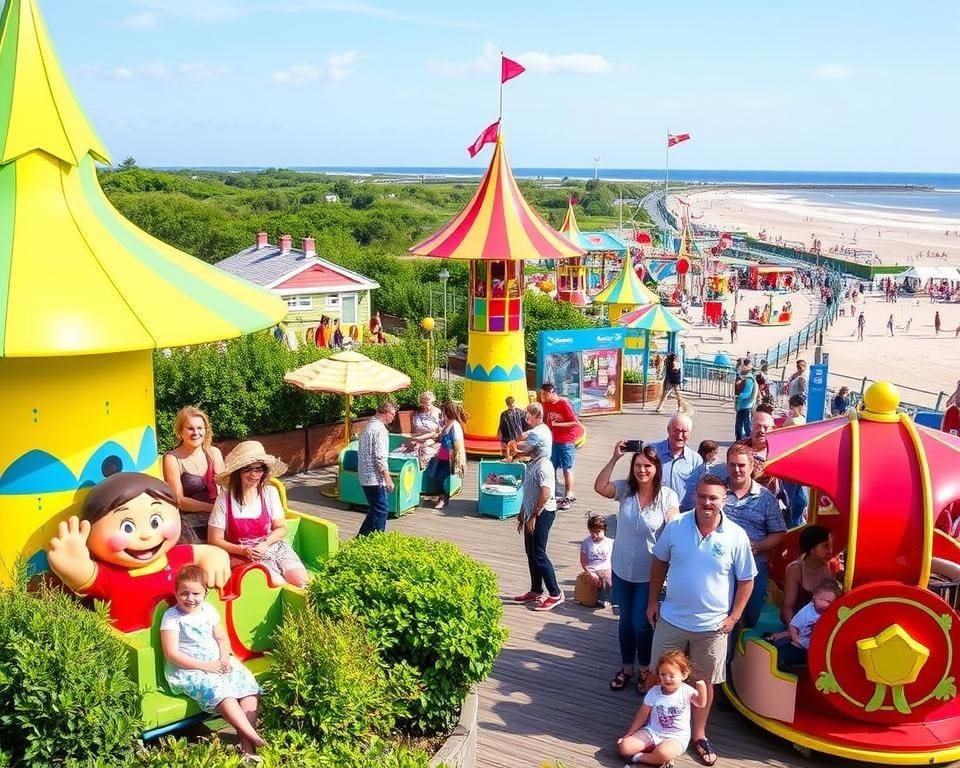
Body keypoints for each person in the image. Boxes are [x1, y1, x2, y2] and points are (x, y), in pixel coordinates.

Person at [647, 474, 756, 767]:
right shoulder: (676, 526)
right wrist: (651, 602)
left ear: (724, 500)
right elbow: (659, 563)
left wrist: (734, 617)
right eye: (702, 496)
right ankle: (657, 729)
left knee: (704, 683)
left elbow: (747, 580)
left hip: (713, 626)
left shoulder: (736, 536)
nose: (707, 503)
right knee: (656, 675)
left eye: (713, 498)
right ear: (695, 496)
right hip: (671, 617)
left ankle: (699, 734)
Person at [47, 472, 230, 633]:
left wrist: (216, 557)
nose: (145, 535)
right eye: (127, 527)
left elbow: (205, 552)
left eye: (155, 522)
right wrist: (73, 565)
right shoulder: (112, 576)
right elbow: (87, 576)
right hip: (135, 646)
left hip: (184, 637)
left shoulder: (173, 556)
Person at [595, 443, 680, 694]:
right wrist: (614, 458)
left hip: (648, 574)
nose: (642, 470)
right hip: (621, 569)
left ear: (656, 468)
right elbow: (600, 486)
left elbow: (674, 522)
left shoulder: (666, 496)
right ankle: (626, 667)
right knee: (624, 623)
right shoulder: (626, 490)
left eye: (648, 466)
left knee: (640, 624)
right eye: (638, 465)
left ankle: (645, 668)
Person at [161, 564, 265, 758]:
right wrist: (207, 666)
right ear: (175, 593)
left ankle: (247, 748)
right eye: (184, 593)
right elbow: (171, 654)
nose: (190, 599)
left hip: (217, 661)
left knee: (248, 686)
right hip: (189, 669)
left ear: (205, 593)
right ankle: (253, 737)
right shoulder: (172, 617)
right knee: (223, 693)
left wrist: (224, 658)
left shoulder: (208, 610)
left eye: (195, 594)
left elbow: (222, 638)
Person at [208, 441, 307, 588]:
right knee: (276, 583)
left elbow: (280, 528)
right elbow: (214, 539)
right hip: (242, 555)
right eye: (248, 469)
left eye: (259, 469)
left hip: (273, 547)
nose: (254, 474)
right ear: (238, 472)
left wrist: (265, 544)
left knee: (302, 581)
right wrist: (243, 550)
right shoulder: (224, 500)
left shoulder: (270, 493)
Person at [723, 445, 785, 630]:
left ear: (751, 466)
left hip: (754, 564)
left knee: (750, 617)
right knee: (723, 618)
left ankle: (740, 656)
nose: (736, 470)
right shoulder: (718, 492)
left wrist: (758, 546)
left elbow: (779, 532)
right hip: (721, 565)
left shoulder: (765, 497)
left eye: (741, 465)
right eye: (732, 465)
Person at [512, 402, 563, 611]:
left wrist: (533, 515)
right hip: (530, 513)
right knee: (530, 552)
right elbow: (530, 490)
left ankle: (555, 593)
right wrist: (523, 512)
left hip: (542, 513)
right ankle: (536, 589)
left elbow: (545, 493)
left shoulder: (544, 466)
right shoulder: (533, 463)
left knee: (539, 554)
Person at [617, 650, 708, 767]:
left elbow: (701, 703)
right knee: (625, 747)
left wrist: (702, 688)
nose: (667, 679)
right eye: (663, 674)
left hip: (676, 737)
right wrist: (630, 733)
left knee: (664, 752)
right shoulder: (655, 692)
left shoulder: (686, 691)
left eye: (671, 675)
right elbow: (643, 714)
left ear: (684, 675)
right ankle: (658, 757)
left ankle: (642, 757)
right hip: (653, 731)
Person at [162, 406, 225, 543]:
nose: (195, 433)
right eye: (190, 428)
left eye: (200, 428)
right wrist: (212, 508)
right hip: (190, 524)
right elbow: (179, 500)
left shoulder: (214, 453)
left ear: (206, 430)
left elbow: (225, 487)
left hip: (218, 520)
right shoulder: (172, 459)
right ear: (180, 432)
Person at [769, 579, 842, 672]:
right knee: (785, 652)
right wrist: (795, 638)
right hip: (802, 641)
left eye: (828, 601)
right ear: (814, 596)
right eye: (821, 600)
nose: (824, 604)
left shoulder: (832, 612)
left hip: (817, 646)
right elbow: (793, 625)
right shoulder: (807, 611)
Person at [780, 525, 837, 626]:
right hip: (795, 622)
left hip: (820, 624)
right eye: (826, 546)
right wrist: (794, 630)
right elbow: (787, 608)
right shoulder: (795, 569)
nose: (830, 550)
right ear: (812, 549)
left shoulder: (831, 567)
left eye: (831, 546)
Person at [355, 400, 397, 535]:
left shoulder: (367, 427)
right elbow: (380, 457)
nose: (393, 418)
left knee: (375, 509)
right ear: (387, 414)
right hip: (374, 477)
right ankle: (377, 539)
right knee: (381, 510)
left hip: (365, 475)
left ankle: (362, 537)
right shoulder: (380, 430)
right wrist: (387, 478)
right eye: (393, 415)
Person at [539, 382, 581, 510]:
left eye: (544, 394)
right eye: (541, 394)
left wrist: (556, 425)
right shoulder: (545, 405)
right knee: (551, 467)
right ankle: (552, 492)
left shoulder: (563, 404)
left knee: (567, 469)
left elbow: (575, 422)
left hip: (566, 441)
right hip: (552, 441)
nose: (543, 397)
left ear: (551, 392)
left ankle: (568, 493)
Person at [650, 413, 704, 511]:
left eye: (684, 432)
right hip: (655, 511)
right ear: (668, 430)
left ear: (690, 433)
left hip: (683, 515)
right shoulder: (652, 452)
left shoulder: (696, 460)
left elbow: (701, 490)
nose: (680, 436)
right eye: (676, 430)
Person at [427, 402, 468, 510]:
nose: (442, 414)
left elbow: (457, 445)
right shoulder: (447, 425)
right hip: (442, 455)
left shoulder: (455, 426)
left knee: (441, 478)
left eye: (444, 412)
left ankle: (444, 498)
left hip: (448, 456)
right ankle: (440, 496)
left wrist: (456, 460)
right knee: (436, 476)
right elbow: (440, 438)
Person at [577, 513, 613, 608]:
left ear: (604, 530)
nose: (595, 535)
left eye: (598, 532)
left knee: (608, 578)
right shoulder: (586, 542)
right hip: (592, 569)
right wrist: (588, 571)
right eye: (592, 532)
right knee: (592, 581)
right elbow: (583, 559)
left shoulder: (610, 542)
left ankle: (608, 598)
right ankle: (593, 598)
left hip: (606, 568)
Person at [406, 390, 443, 469]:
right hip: (418, 438)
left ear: (432, 401)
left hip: (432, 440)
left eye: (427, 404)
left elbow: (440, 431)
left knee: (424, 451)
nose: (425, 406)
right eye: (423, 404)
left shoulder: (437, 412)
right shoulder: (417, 413)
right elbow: (414, 429)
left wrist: (431, 437)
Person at [734, 359, 757, 441]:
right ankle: (743, 440)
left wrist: (738, 396)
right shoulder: (747, 377)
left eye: (741, 365)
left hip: (745, 406)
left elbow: (747, 393)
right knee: (741, 425)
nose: (739, 366)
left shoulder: (749, 379)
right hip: (743, 405)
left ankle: (746, 441)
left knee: (744, 426)